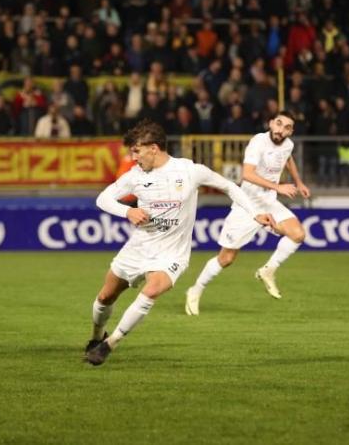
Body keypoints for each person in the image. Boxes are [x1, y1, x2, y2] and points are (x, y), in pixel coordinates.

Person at [84, 119, 274, 366]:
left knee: (152, 290)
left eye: (137, 151)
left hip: (172, 254)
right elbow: (103, 199)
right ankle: (97, 337)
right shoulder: (135, 176)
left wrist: (255, 213)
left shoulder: (189, 171)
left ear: (154, 148)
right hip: (138, 248)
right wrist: (127, 212)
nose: (133, 157)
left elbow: (229, 187)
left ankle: (110, 344)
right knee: (105, 297)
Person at [185, 111, 310, 316]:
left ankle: (268, 270)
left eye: (287, 127)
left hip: (268, 202)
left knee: (298, 234)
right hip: (247, 205)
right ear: (271, 123)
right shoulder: (258, 142)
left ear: (291, 131)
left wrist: (299, 182)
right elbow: (247, 174)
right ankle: (195, 289)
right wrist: (277, 187)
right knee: (226, 259)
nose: (281, 129)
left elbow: (288, 159)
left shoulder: (288, 145)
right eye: (278, 124)